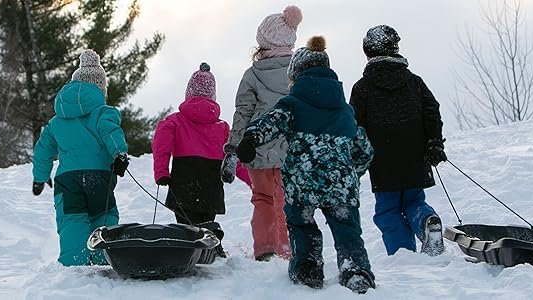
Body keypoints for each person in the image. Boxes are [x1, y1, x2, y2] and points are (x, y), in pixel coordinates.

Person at [238, 36, 377, 294]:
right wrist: (351, 173)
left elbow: (271, 122)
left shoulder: (293, 103)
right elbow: (364, 149)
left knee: (302, 224)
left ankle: (308, 268)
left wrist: (250, 139)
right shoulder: (344, 109)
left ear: (296, 76)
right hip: (340, 184)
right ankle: (355, 270)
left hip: (303, 181)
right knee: (346, 228)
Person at [349, 25, 447, 257]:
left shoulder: (362, 88)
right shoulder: (414, 81)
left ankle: (404, 256)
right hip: (416, 155)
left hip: (382, 160)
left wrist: (356, 159)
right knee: (414, 200)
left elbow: (354, 127)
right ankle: (425, 221)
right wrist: (434, 143)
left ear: (368, 52)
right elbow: (432, 111)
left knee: (388, 210)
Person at [32, 49, 130, 266]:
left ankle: (74, 265)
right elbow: (110, 132)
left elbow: (43, 148)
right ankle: (102, 258)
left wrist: (40, 176)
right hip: (99, 177)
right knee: (103, 217)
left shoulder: (57, 121)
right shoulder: (103, 112)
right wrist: (119, 154)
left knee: (72, 221)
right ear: (100, 88)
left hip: (68, 180)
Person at [223, 4, 302, 262]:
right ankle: (287, 249)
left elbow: (242, 112)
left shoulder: (253, 74)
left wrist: (234, 147)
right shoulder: (300, 74)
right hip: (291, 150)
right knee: (286, 200)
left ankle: (265, 249)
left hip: (257, 147)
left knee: (262, 198)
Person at [152, 63, 251, 258]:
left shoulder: (174, 121)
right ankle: (211, 243)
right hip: (210, 184)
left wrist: (162, 172)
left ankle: (187, 252)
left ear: (189, 92)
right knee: (205, 222)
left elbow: (160, 145)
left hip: (183, 180)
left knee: (185, 226)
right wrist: (252, 181)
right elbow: (234, 156)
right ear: (212, 95)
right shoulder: (222, 127)